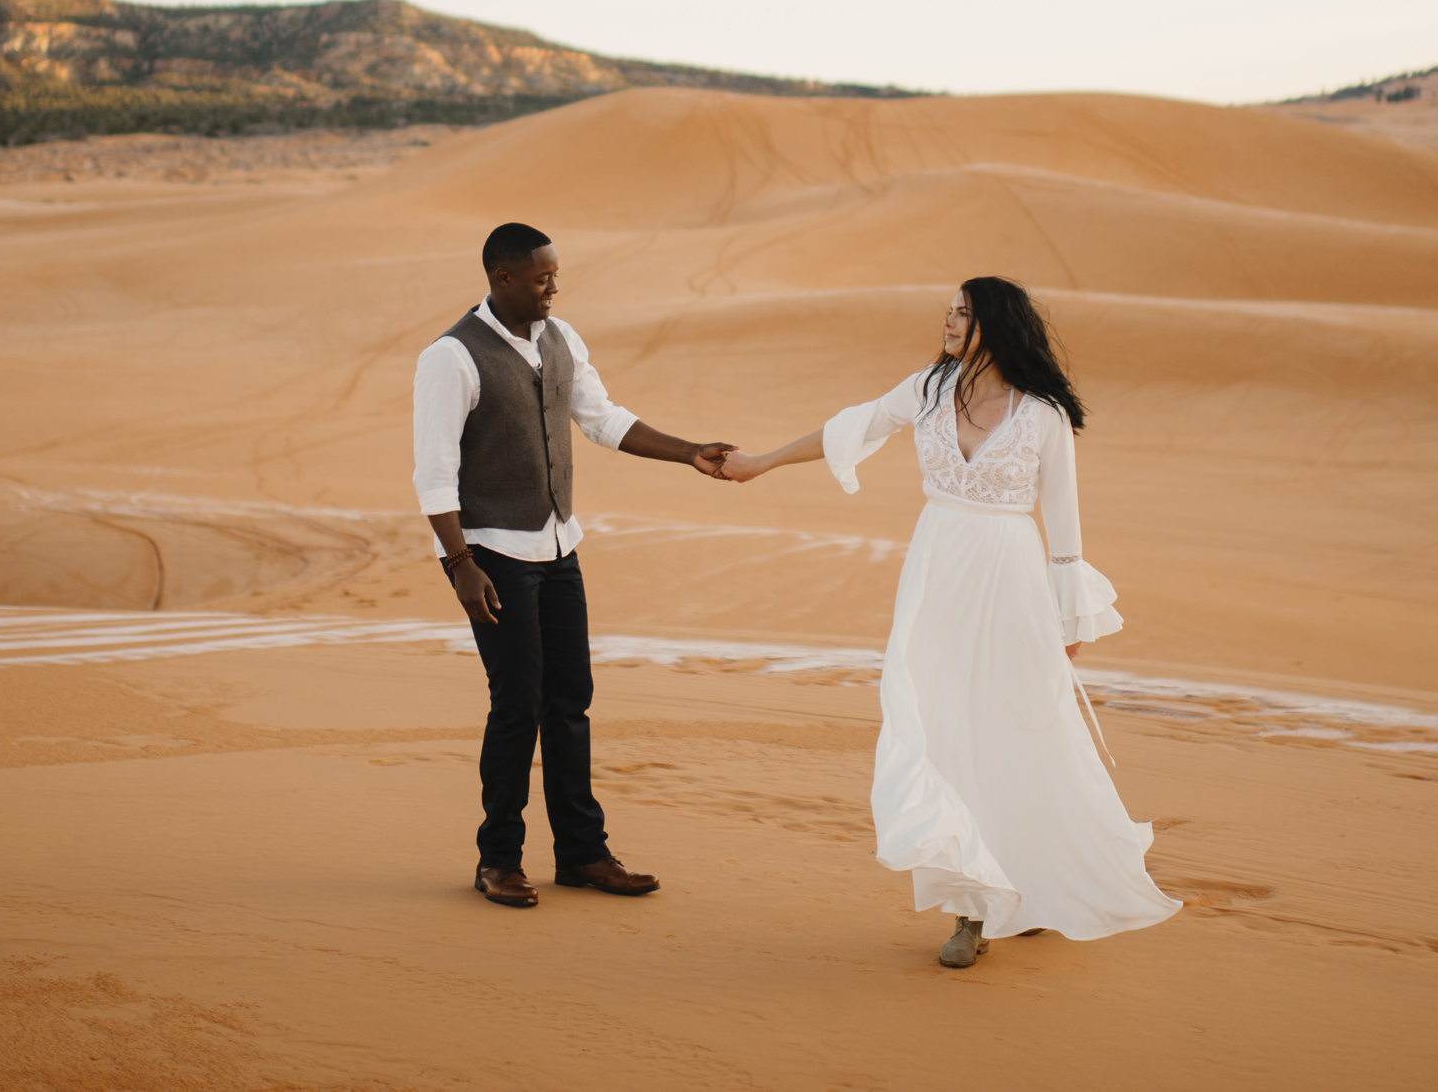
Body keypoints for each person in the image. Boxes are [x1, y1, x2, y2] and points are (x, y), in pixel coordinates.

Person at [722, 276, 1182, 966]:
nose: (948, 320)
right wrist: (760, 463)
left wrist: (1070, 616)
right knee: (940, 728)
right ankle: (971, 907)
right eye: (948, 309)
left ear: (995, 323)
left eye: (963, 312)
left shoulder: (1044, 415)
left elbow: (1064, 525)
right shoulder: (928, 390)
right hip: (938, 574)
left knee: (1021, 731)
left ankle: (1025, 885)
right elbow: (854, 425)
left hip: (1012, 582)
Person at [413, 222, 737, 908]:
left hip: (559, 546)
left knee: (571, 700)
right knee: (517, 704)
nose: (553, 286)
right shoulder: (451, 357)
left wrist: (688, 452)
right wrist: (461, 563)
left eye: (554, 273)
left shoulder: (562, 339)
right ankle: (497, 858)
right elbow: (434, 476)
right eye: (540, 277)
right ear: (502, 278)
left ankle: (582, 853)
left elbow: (604, 419)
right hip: (492, 553)